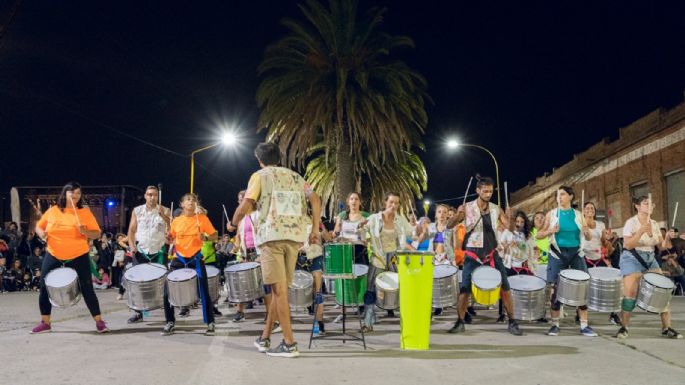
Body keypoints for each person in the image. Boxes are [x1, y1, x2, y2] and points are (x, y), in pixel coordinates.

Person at [231, 142, 321, 358]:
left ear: (259, 159)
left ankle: (289, 343)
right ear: (278, 158)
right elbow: (315, 199)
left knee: (278, 291)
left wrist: (235, 221)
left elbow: (247, 203)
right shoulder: (296, 177)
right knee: (279, 290)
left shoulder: (260, 176)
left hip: (271, 237)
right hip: (294, 238)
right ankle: (265, 337)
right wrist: (315, 228)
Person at [447, 177, 522, 336]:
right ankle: (460, 322)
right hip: (472, 253)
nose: (488, 194)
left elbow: (510, 228)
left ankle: (512, 321)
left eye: (491, 191)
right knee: (465, 289)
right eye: (485, 191)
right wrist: (457, 215)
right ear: (478, 191)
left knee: (505, 287)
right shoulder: (467, 208)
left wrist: (511, 217)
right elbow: (449, 225)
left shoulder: (496, 209)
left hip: (491, 253)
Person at [31, 182, 109, 334]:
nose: (75, 195)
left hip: (78, 254)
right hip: (54, 253)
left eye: (78, 193)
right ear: (64, 194)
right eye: (71, 192)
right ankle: (45, 322)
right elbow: (39, 226)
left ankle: (99, 321)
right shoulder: (53, 210)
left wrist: (85, 231)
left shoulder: (84, 213)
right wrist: (42, 234)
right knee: (44, 287)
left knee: (87, 288)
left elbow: (97, 234)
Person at [614, 196, 682, 339]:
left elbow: (661, 246)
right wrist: (640, 232)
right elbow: (627, 245)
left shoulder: (654, 224)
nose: (650, 205)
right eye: (646, 203)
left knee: (662, 291)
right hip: (631, 257)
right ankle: (624, 327)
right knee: (630, 293)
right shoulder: (631, 223)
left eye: (651, 203)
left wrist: (668, 238)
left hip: (650, 257)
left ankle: (666, 327)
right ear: (637, 206)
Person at [536, 186, 597, 337]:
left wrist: (586, 231)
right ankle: (555, 324)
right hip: (557, 253)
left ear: (570, 197)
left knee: (582, 288)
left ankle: (584, 325)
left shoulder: (579, 215)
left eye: (562, 194)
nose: (559, 197)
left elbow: (589, 238)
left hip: (576, 253)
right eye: (557, 195)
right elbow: (539, 235)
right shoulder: (551, 214)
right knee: (556, 289)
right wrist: (550, 231)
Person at [362, 192, 426, 332]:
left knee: (403, 287)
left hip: (394, 258)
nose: (393, 205)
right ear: (385, 202)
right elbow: (362, 230)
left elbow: (412, 234)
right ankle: (368, 322)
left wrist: (419, 229)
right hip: (378, 257)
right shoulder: (374, 218)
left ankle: (408, 321)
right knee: (371, 290)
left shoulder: (400, 219)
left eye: (396, 203)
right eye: (391, 202)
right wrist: (361, 228)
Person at [162, 193, 218, 336]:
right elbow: (170, 239)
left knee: (203, 290)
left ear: (196, 204)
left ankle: (210, 322)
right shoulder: (176, 221)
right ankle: (169, 321)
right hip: (179, 258)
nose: (191, 202)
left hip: (195, 258)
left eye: (193, 200)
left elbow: (214, 236)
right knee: (167, 291)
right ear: (182, 204)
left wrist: (205, 237)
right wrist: (168, 238)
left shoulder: (202, 219)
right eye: (188, 200)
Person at [126, 185, 171, 323]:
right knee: (139, 282)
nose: (152, 197)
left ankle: (167, 312)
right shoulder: (137, 211)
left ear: (158, 196)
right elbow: (132, 231)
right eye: (149, 194)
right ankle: (139, 311)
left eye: (155, 195)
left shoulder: (166, 210)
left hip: (159, 250)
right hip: (141, 251)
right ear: (145, 196)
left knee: (163, 281)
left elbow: (172, 228)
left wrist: (164, 216)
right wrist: (132, 246)